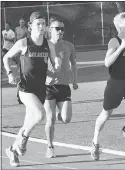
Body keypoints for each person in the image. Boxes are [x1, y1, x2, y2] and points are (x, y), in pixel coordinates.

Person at [3, 11, 62, 167]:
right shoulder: (23, 43)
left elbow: (54, 60)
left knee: (28, 123)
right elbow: (6, 57)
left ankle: (12, 151)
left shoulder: (49, 44)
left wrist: (56, 64)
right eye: (38, 24)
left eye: (43, 24)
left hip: (40, 89)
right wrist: (9, 73)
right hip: (25, 88)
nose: (41, 27)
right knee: (40, 114)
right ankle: (23, 141)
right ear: (30, 26)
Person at [90, 12, 125, 161]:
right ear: (119, 26)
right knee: (106, 114)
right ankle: (95, 141)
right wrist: (120, 47)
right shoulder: (114, 41)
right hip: (114, 83)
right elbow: (107, 62)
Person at [44, 18, 78, 158]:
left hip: (64, 86)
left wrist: (75, 80)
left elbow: (74, 64)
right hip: (48, 87)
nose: (60, 31)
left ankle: (61, 114)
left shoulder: (69, 46)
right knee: (50, 119)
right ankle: (50, 146)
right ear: (50, 30)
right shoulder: (44, 46)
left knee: (66, 119)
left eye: (62, 29)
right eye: (57, 28)